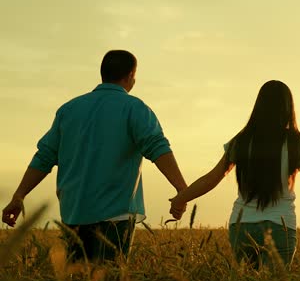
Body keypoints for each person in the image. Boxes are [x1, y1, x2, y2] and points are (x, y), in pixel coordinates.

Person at [1, 50, 188, 261]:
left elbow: (44, 157)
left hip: (73, 213)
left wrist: (19, 195)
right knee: (109, 279)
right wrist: (182, 189)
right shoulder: (135, 108)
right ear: (130, 76)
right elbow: (157, 147)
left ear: (103, 73)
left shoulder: (68, 110)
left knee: (78, 280)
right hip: (115, 216)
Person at [169, 80, 300, 268]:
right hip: (280, 226)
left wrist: (180, 199)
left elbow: (211, 179)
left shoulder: (241, 141)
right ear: (288, 108)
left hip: (242, 226)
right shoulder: (296, 143)